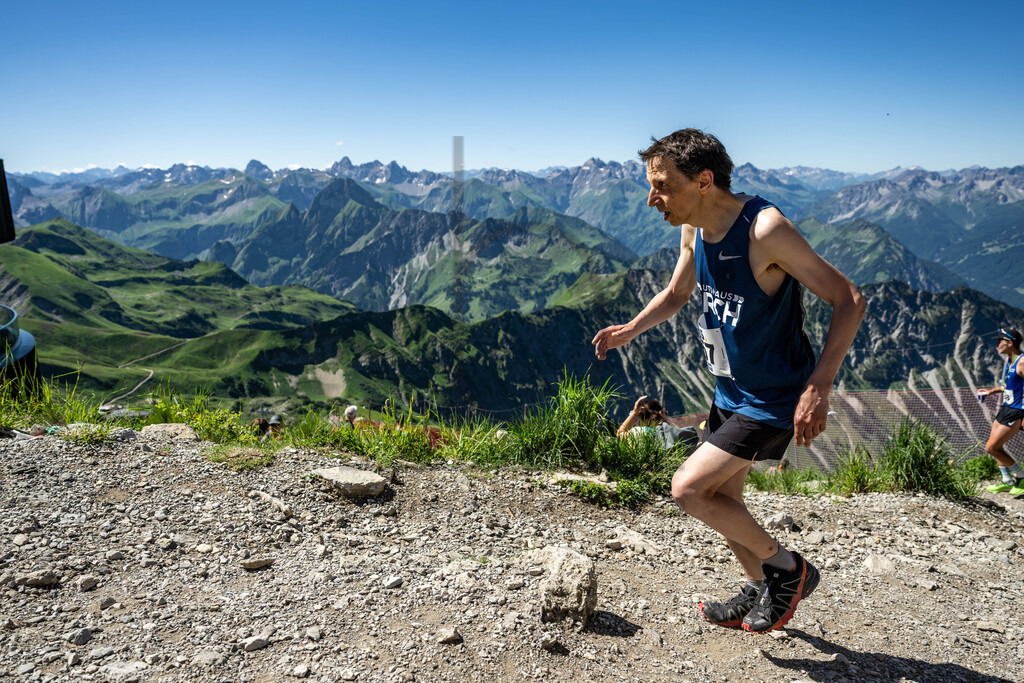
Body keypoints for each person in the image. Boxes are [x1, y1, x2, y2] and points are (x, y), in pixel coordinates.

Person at [592, 129, 865, 634]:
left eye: (661, 186)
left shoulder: (764, 230)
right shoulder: (693, 225)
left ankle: (788, 570)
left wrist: (819, 385)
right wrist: (630, 328)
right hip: (730, 391)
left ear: (704, 180)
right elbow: (678, 292)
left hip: (774, 394)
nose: (652, 199)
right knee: (726, 501)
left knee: (689, 490)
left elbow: (849, 298)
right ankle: (762, 585)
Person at [979, 328, 1024, 494]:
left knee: (991, 448)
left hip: (1016, 412)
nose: (997, 344)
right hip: (1006, 408)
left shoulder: (1021, 362)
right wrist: (992, 391)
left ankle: (1021, 476)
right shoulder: (1009, 361)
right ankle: (1006, 480)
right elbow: (1009, 386)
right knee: (995, 446)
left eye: (1000, 341)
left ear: (1010, 343)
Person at [617, 394, 699, 450]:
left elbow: (620, 433)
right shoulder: (669, 434)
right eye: (665, 413)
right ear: (661, 413)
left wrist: (634, 414)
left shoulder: (637, 432)